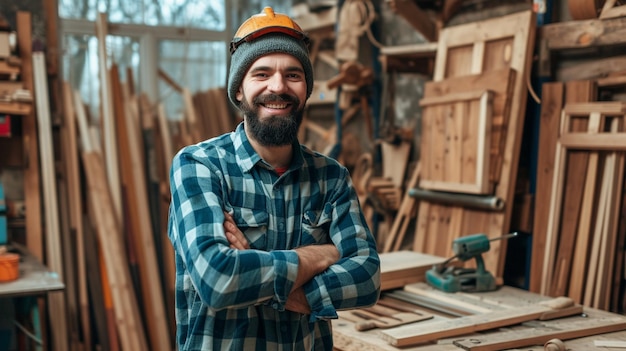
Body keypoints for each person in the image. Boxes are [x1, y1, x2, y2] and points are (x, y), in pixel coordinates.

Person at [167, 6, 381, 350]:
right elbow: (218, 279)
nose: (278, 87)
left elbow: (367, 278)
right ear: (239, 90)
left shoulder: (331, 177)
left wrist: (253, 269)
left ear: (307, 90)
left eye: (293, 75)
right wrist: (320, 255)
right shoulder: (199, 166)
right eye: (261, 74)